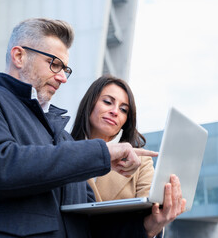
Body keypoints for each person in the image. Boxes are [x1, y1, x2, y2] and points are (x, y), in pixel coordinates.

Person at [0, 18, 183, 238]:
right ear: (19, 56)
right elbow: (0, 168)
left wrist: (147, 226)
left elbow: (88, 226)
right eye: (54, 64)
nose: (62, 77)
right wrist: (102, 153)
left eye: (65, 69)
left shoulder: (65, 141)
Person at [71, 75, 186, 237]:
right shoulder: (64, 151)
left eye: (124, 109)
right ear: (90, 103)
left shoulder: (141, 162)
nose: (115, 112)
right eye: (108, 102)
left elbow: (151, 215)